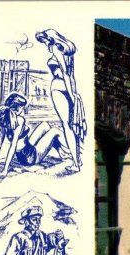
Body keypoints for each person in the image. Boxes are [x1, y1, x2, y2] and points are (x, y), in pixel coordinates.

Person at [0, 92, 72, 178]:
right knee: (54, 131)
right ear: (17, 109)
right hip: (30, 158)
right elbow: (13, 147)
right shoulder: (20, 120)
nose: (23, 110)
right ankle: (71, 150)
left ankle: (62, 152)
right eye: (22, 108)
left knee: (45, 125)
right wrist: (5, 170)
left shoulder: (6, 122)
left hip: (24, 153)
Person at [35, 29, 86, 172]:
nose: (44, 44)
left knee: (67, 126)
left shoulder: (55, 49)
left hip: (58, 87)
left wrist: (72, 95)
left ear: (50, 39)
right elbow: (71, 75)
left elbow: (64, 74)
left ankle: (75, 164)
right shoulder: (67, 52)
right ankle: (77, 160)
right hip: (67, 88)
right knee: (71, 126)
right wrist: (73, 93)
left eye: (44, 41)